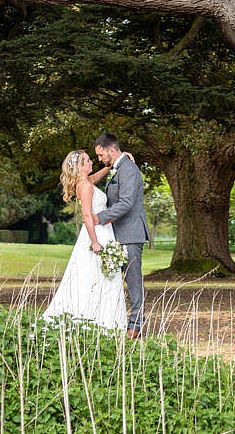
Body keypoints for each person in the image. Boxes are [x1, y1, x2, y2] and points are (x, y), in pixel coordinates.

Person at [40, 148, 127, 332]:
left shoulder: (86, 182)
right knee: (97, 276)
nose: (91, 163)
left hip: (103, 231)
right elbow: (87, 216)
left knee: (101, 276)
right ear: (80, 166)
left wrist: (116, 161)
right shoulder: (85, 186)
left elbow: (99, 175)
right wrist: (95, 242)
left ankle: (105, 321)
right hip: (96, 233)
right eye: (87, 161)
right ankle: (99, 321)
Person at [92, 131, 150, 339]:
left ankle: (136, 325)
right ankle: (124, 321)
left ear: (111, 149)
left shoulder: (128, 170)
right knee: (121, 280)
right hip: (120, 233)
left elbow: (125, 203)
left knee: (134, 281)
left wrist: (98, 218)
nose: (99, 159)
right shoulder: (118, 168)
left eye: (101, 155)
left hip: (131, 233)